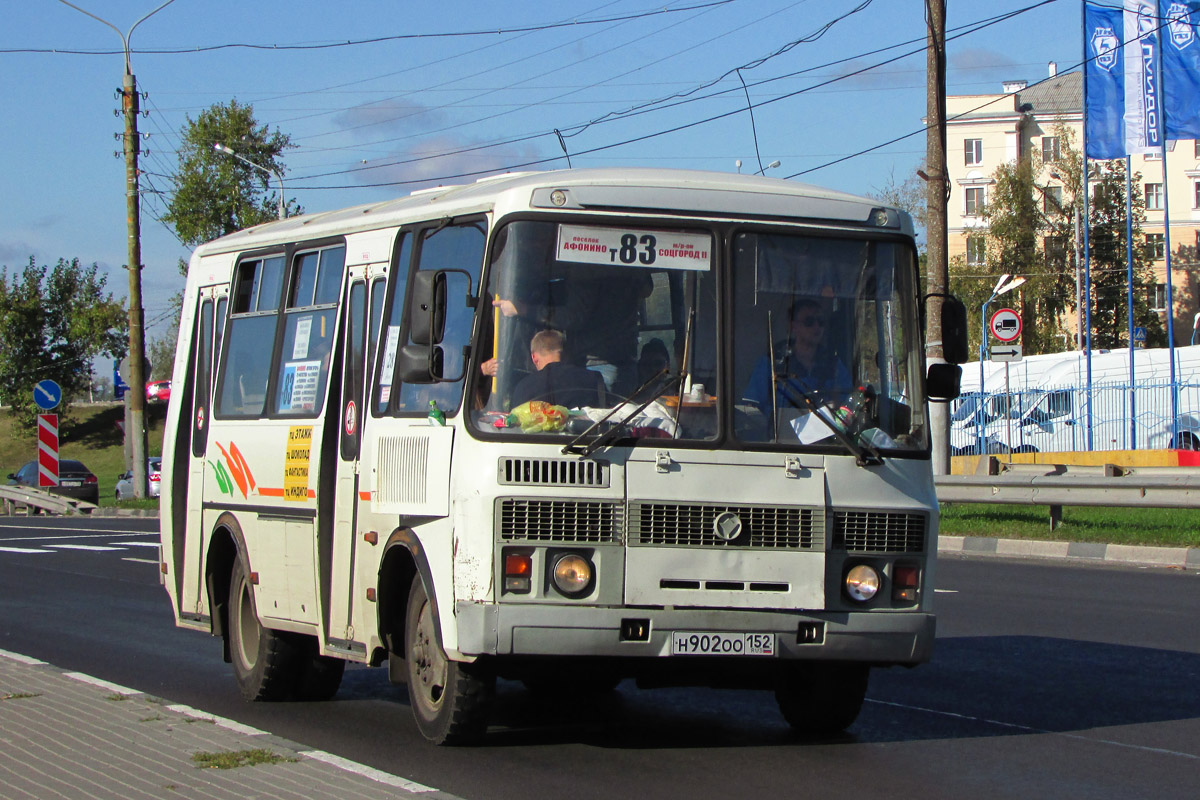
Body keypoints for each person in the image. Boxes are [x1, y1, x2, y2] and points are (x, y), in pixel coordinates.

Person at [743, 298, 852, 413]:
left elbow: (848, 404)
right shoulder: (772, 363)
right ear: (793, 326)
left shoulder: (834, 365)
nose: (816, 327)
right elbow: (752, 409)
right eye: (809, 322)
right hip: (779, 430)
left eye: (821, 322)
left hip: (829, 430)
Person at [510, 329, 607, 409]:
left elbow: (514, 426)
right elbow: (606, 418)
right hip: (586, 432)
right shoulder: (593, 379)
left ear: (534, 358)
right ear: (566, 353)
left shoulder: (523, 387)